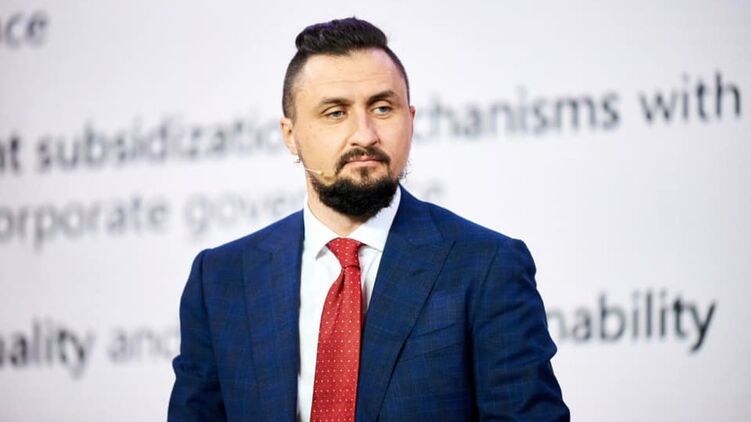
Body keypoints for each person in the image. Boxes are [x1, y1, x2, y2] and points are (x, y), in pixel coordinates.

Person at [168, 17, 569, 421]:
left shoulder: (487, 266)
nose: (365, 134)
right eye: (335, 113)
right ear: (290, 134)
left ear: (410, 118)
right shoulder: (221, 279)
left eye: (382, 108)